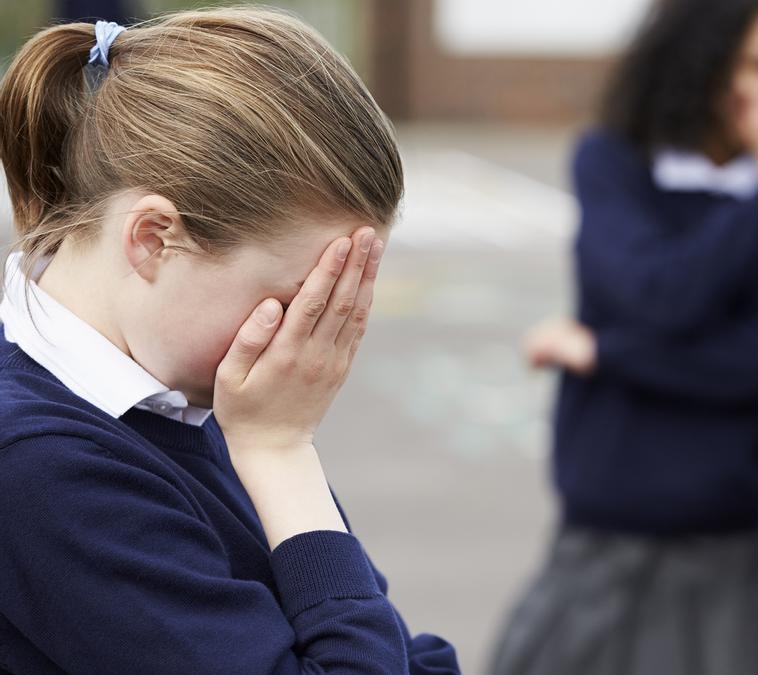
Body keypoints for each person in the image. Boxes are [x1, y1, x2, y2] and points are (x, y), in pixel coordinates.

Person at [0, 10, 459, 673]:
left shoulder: (177, 395)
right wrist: (281, 453)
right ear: (154, 238)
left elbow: (386, 647)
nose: (314, 340)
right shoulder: (40, 467)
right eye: (297, 299)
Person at [489, 1, 758, 673]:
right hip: (605, 517)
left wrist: (606, 351)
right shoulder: (614, 162)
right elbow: (661, 297)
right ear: (698, 56)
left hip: (724, 529)